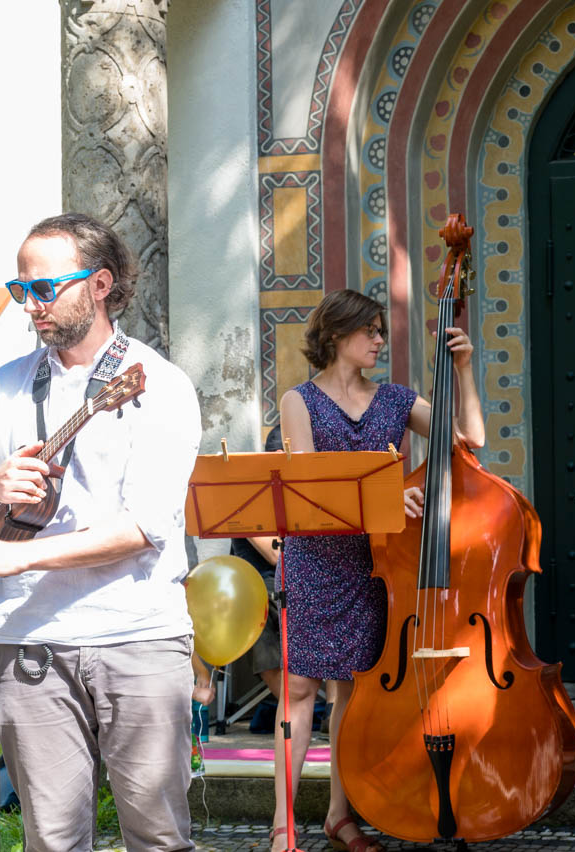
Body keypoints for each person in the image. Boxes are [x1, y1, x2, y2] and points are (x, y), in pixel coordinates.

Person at [0, 213, 201, 851]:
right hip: (27, 643)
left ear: (101, 284)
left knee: (158, 837)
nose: (31, 305)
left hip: (138, 638)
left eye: (45, 288)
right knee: (50, 841)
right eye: (22, 289)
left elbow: (144, 527)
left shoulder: (159, 384)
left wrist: (15, 560)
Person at [269, 289, 484, 852]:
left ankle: (340, 817)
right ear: (336, 334)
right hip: (314, 560)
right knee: (299, 689)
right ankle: (282, 827)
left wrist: (464, 370)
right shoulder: (299, 401)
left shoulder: (394, 399)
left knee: (352, 693)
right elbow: (310, 487)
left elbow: (468, 443)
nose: (380, 340)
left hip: (374, 565)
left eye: (381, 331)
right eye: (370, 330)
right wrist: (386, 499)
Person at [230, 424, 285, 708]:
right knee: (260, 613)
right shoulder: (248, 497)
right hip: (260, 587)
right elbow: (275, 555)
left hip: (295, 583)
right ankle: (295, 707)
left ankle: (332, 709)